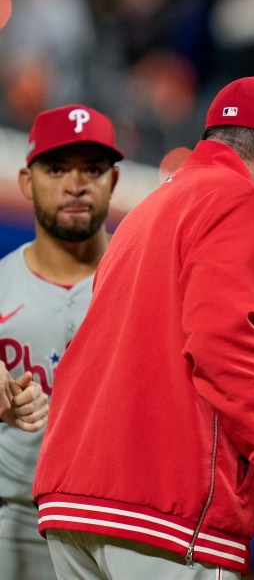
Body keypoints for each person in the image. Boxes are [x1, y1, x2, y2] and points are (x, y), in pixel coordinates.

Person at [32, 77, 254, 580]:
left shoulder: (147, 212)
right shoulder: (245, 203)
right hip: (163, 509)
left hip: (74, 504)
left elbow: (203, 366)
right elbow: (226, 351)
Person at [0, 104, 121, 580]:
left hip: (125, 519)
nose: (76, 184)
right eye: (57, 169)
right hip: (16, 520)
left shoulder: (152, 284)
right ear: (27, 181)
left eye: (92, 168)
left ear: (113, 180)